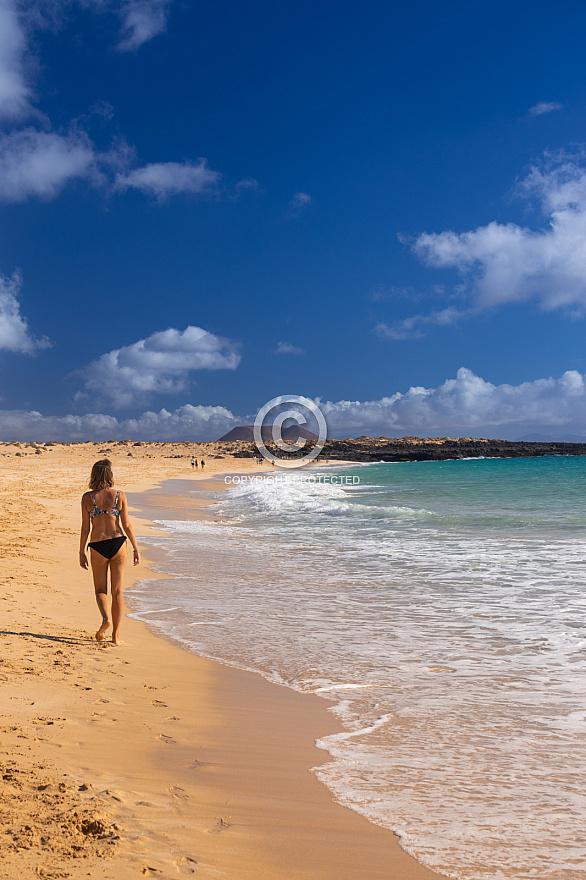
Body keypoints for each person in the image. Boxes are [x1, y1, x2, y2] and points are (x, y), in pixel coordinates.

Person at [79, 459, 140, 645]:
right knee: (118, 591)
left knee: (100, 590)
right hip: (118, 543)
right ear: (110, 475)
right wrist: (136, 547)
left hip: (98, 545)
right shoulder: (119, 495)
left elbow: (85, 529)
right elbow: (127, 525)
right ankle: (116, 636)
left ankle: (106, 619)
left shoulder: (87, 498)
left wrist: (81, 551)